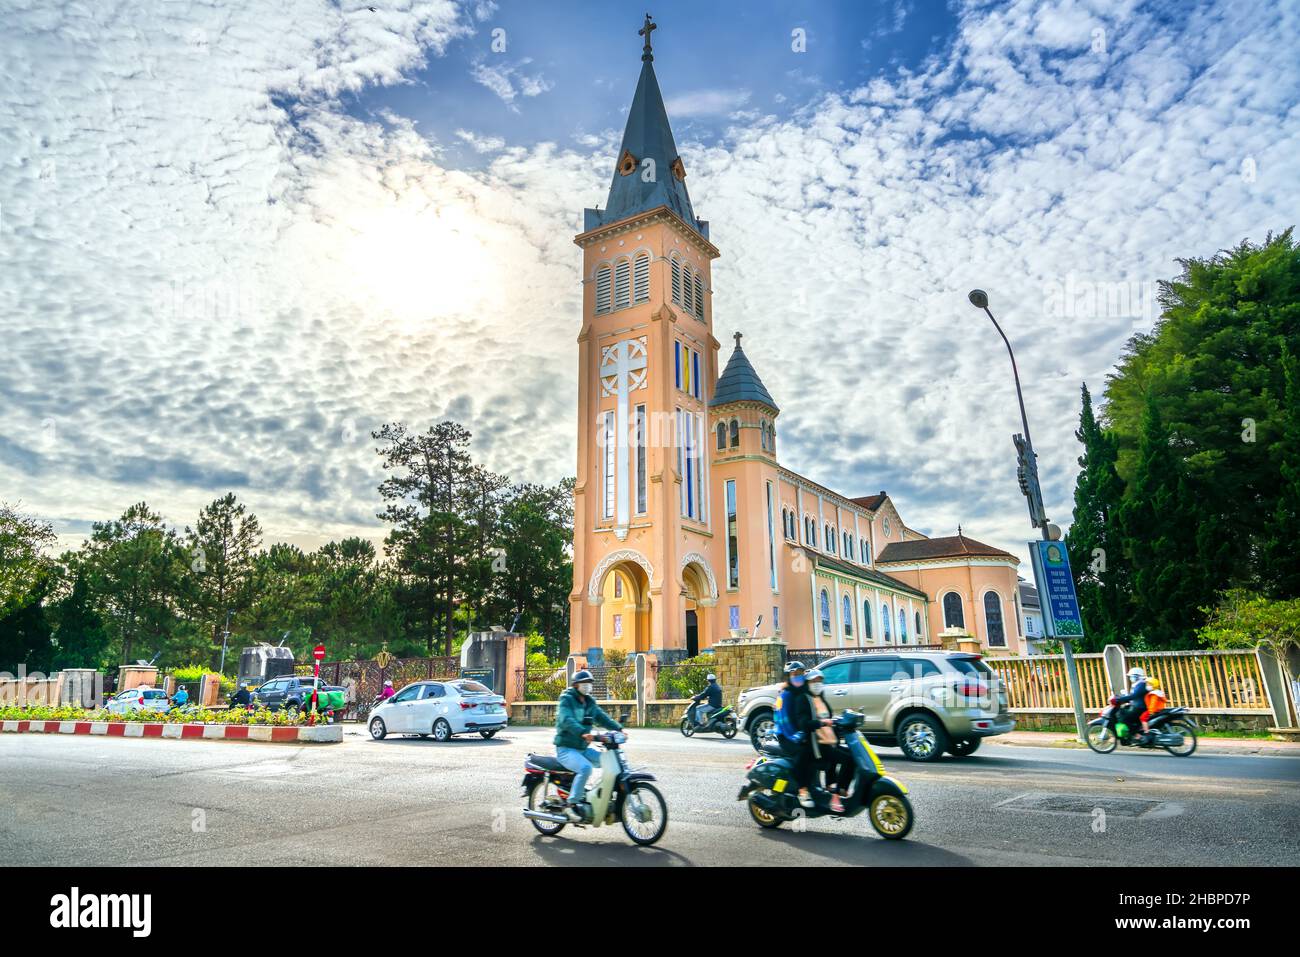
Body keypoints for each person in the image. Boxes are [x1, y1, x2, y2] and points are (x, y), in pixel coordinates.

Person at [554, 668, 625, 822]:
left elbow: (602, 717)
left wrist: (619, 728)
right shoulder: (566, 699)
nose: (587, 686)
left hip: (582, 748)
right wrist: (582, 732)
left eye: (589, 683)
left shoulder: (590, 702)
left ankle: (596, 796)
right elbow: (566, 720)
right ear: (575, 685)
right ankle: (572, 805)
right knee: (586, 768)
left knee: (608, 761)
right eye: (584, 683)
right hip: (566, 749)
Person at [805, 669, 852, 813]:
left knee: (852, 754)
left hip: (830, 741)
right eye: (813, 681)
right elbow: (808, 723)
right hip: (819, 745)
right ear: (807, 683)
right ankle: (836, 795)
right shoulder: (807, 700)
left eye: (819, 681)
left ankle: (837, 788)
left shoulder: (821, 698)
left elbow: (829, 717)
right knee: (848, 759)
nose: (817, 684)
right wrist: (822, 722)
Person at [774, 661, 817, 803]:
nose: (798, 677)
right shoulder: (785, 695)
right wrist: (797, 737)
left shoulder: (804, 691)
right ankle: (802, 789)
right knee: (802, 753)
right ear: (788, 676)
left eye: (800, 674)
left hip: (799, 732)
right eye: (794, 674)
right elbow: (783, 720)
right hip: (785, 735)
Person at [1114, 666, 1150, 740]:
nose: (1131, 678)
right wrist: (1123, 698)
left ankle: (1136, 734)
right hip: (1136, 706)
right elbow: (1133, 696)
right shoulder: (1138, 684)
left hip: (1139, 707)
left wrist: (1120, 699)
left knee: (1122, 717)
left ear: (1137, 676)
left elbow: (1134, 696)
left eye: (1132, 676)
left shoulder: (1141, 685)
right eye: (1130, 676)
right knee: (1122, 711)